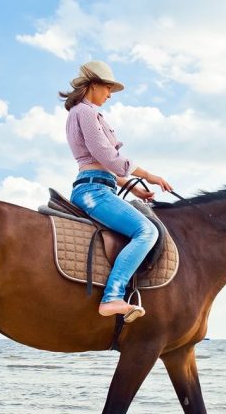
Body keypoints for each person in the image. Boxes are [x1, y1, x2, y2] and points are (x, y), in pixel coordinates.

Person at [61, 60, 172, 323]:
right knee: (147, 231)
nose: (109, 95)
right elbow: (107, 156)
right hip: (94, 190)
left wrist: (133, 187)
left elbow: (102, 165)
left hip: (99, 184)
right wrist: (149, 176)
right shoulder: (85, 113)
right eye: (108, 89)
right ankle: (112, 296)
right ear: (94, 85)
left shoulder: (84, 113)